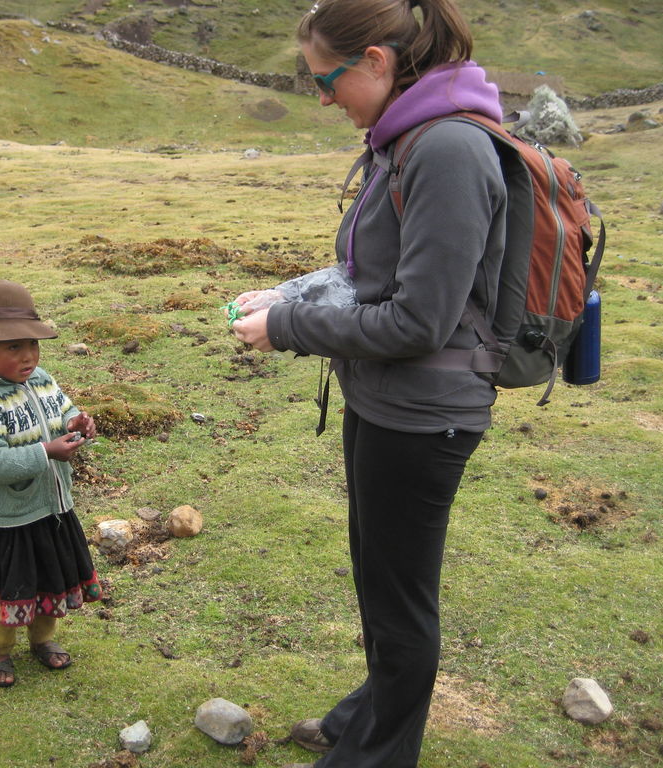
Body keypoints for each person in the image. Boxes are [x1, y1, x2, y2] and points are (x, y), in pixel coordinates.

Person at [231, 0, 506, 765]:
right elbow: (369, 274)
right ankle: (367, 712)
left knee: (400, 603)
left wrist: (286, 329)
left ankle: (376, 754)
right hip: (385, 400)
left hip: (425, 414)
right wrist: (293, 293)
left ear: (378, 63)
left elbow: (419, 322)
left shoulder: (447, 149)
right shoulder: (404, 136)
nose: (322, 98)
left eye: (328, 80)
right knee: (380, 585)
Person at [0, 279, 102, 688]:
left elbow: (62, 410)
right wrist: (45, 452)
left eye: (32, 344)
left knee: (50, 577)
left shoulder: (41, 379)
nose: (28, 355)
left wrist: (76, 422)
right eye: (13, 347)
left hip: (52, 511)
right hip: (4, 521)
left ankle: (43, 640)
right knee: (2, 590)